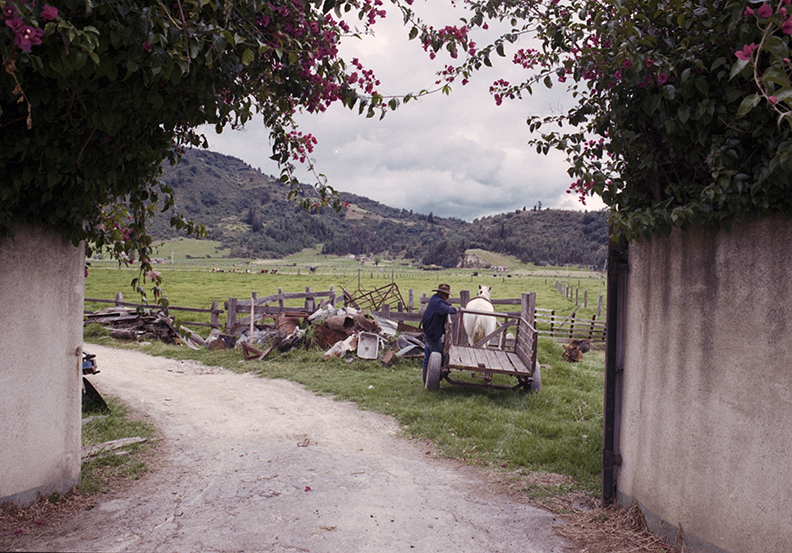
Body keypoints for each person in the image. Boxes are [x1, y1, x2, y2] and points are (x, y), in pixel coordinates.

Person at [421, 283, 457, 372]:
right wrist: (455, 309)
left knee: (428, 357)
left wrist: (448, 304)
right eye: (447, 295)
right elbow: (447, 309)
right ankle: (434, 376)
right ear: (443, 294)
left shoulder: (434, 298)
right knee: (438, 356)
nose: (447, 298)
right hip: (433, 334)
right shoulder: (439, 303)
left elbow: (445, 304)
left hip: (428, 332)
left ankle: (426, 378)